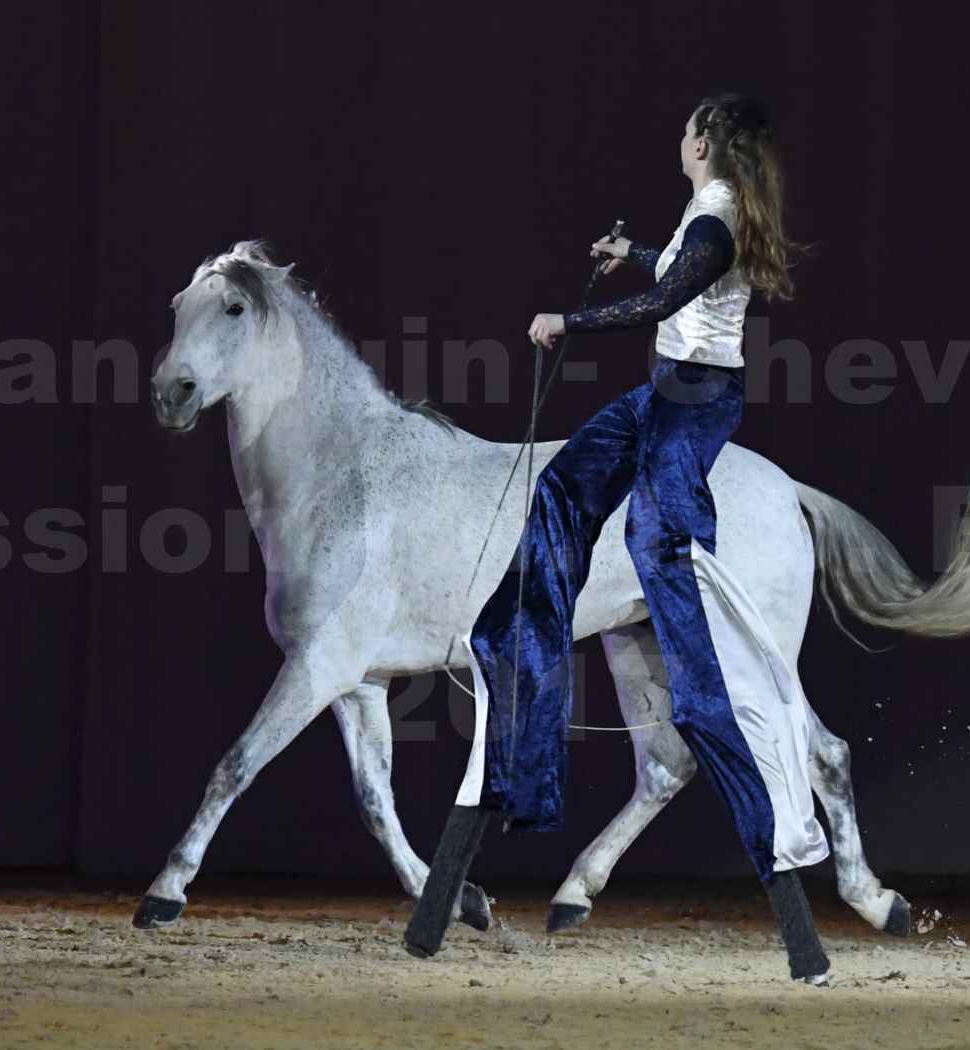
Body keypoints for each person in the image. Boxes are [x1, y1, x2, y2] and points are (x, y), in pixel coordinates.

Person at [407, 92, 833, 985]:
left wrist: (571, 318)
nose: (677, 138)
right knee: (561, 492)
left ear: (707, 143)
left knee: (654, 544)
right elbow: (674, 269)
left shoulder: (716, 221)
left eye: (686, 129)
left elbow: (669, 295)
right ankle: (519, 658)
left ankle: (793, 918)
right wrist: (629, 251)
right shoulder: (708, 215)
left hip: (693, 411)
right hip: (659, 399)